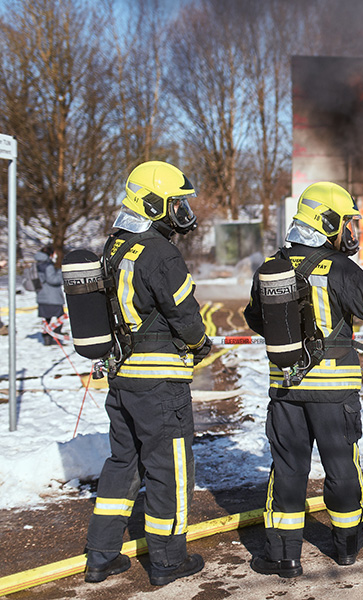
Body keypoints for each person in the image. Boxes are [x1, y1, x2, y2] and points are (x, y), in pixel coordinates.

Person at [244, 181, 363, 578]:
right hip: (334, 391)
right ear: (327, 222)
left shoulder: (274, 266)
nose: (350, 233)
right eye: (347, 224)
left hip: (285, 388)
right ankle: (347, 545)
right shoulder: (338, 267)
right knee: (341, 466)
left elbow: (255, 319)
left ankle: (284, 556)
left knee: (286, 467)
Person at [84, 161, 211, 586]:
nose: (181, 210)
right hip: (159, 382)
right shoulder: (159, 251)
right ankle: (168, 561)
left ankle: (101, 555)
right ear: (154, 202)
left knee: (123, 462)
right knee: (169, 468)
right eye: (176, 203)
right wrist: (200, 343)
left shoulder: (114, 246)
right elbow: (186, 316)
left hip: (121, 379)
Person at [34, 245, 66, 345]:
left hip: (42, 295)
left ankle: (47, 339)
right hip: (52, 297)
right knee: (60, 317)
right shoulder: (48, 265)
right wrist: (61, 273)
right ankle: (56, 336)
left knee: (46, 319)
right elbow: (52, 279)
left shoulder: (37, 264)